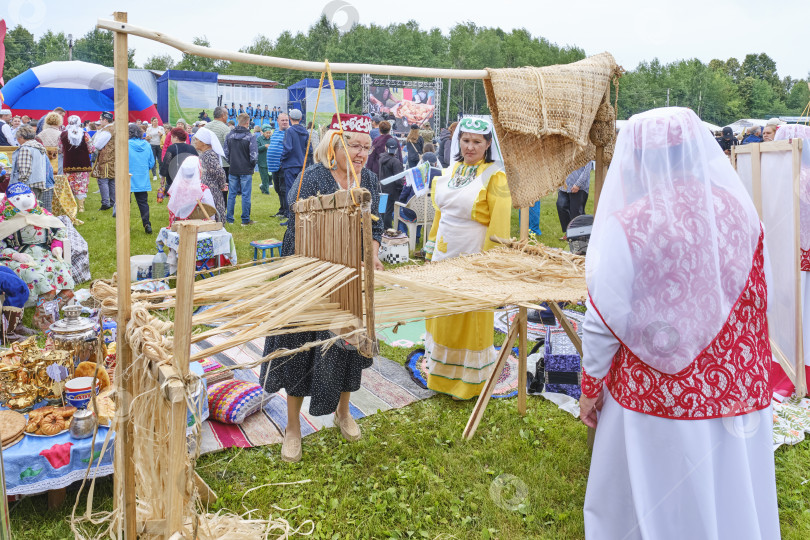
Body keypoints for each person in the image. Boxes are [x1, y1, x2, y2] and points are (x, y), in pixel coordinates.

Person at [579, 107, 778, 540]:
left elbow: (603, 317)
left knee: (654, 504)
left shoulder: (630, 224)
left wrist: (590, 388)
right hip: (736, 386)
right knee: (730, 494)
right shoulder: (744, 213)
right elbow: (761, 294)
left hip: (658, 398)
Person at [260, 113, 383, 463]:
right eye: (353, 145)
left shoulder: (370, 180)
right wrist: (321, 265)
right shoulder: (312, 178)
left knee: (347, 345)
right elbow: (295, 231)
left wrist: (372, 253)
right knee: (301, 344)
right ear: (334, 144)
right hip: (308, 275)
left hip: (350, 278)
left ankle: (343, 412)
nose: (361, 153)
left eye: (366, 146)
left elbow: (376, 225)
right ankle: (293, 427)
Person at [423, 117, 511, 399]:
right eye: (465, 140)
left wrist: (488, 265)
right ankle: (440, 373)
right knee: (442, 310)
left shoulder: (495, 177)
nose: (470, 146)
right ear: (458, 142)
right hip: (444, 251)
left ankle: (467, 381)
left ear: (487, 145)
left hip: (473, 251)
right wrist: (430, 249)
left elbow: (499, 224)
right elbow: (440, 214)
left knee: (468, 314)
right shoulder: (450, 171)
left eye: (477, 142)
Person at [0, 182, 75, 331]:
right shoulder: (5, 220)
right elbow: (1, 246)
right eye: (19, 198)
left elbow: (59, 230)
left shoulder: (42, 213)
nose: (26, 200)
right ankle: (41, 320)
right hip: (22, 258)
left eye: (28, 196)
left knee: (66, 281)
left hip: (45, 254)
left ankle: (46, 315)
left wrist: (57, 246)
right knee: (43, 281)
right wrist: (15, 255)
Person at [775, 124, 810, 372]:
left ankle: (795, 368)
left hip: (792, 254)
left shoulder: (792, 176)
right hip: (798, 253)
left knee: (793, 318)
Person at [224, 113, 258, 226]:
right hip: (246, 169)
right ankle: (245, 220)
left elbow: (226, 153)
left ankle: (229, 219)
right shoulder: (250, 137)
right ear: (247, 123)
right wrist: (251, 166)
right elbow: (254, 155)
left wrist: (231, 163)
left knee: (232, 194)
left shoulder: (229, 135)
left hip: (233, 168)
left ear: (238, 121)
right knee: (246, 195)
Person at [279, 109, 311, 224]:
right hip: (302, 165)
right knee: (301, 190)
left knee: (290, 191)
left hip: (290, 165)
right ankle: (301, 215)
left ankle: (291, 217)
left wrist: (282, 159)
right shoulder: (306, 132)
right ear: (301, 119)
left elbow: (288, 148)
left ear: (290, 119)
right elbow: (310, 150)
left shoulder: (290, 131)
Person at [191, 127, 228, 223]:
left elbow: (220, 173)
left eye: (197, 140)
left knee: (213, 213)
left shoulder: (208, 155)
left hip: (211, 191)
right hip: (207, 189)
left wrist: (221, 185)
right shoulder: (205, 154)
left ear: (204, 142)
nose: (195, 142)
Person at [59, 115, 95, 212]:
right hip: (83, 163)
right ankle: (81, 208)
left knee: (70, 184)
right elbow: (91, 149)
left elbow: (60, 149)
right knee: (81, 185)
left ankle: (71, 206)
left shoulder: (63, 134)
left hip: (68, 163)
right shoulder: (85, 134)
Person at [167, 156, 217, 225]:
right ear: (198, 171)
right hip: (200, 226)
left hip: (179, 225)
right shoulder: (202, 189)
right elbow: (211, 211)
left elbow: (173, 209)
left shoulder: (176, 188)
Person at [10, 126, 51, 208]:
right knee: (35, 209)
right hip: (40, 182)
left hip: (28, 184)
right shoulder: (39, 148)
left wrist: (20, 184)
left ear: (21, 137)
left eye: (17, 138)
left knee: (26, 210)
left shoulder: (25, 148)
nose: (17, 140)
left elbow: (24, 170)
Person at [127, 123, 155, 233]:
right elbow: (152, 162)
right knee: (143, 202)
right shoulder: (146, 144)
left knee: (125, 203)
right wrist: (144, 169)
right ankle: (147, 223)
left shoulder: (126, 144)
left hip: (127, 177)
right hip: (142, 177)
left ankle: (124, 224)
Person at [556, 161, 594, 240]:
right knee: (561, 205)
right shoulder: (566, 150)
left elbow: (587, 170)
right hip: (564, 186)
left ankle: (579, 235)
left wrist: (578, 184)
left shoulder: (586, 151)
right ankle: (569, 232)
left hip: (579, 187)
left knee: (576, 212)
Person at [160, 128, 198, 196]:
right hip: (189, 178)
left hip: (174, 178)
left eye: (171, 136)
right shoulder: (191, 148)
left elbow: (166, 163)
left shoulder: (172, 148)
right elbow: (198, 162)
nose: (170, 138)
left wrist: (163, 177)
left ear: (176, 138)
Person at [91, 112, 116, 210]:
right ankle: (113, 202)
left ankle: (105, 203)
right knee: (112, 181)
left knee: (103, 180)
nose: (100, 121)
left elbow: (98, 145)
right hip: (114, 158)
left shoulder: (107, 130)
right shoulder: (113, 128)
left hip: (106, 158)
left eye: (101, 119)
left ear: (105, 120)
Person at [379, 137, 405, 229]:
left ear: (386, 148)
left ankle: (380, 229)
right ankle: (387, 229)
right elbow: (399, 179)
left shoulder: (381, 158)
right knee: (388, 211)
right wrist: (402, 187)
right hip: (392, 190)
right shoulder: (396, 162)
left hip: (382, 187)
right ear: (397, 149)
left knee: (382, 210)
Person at [266, 113, 289, 217]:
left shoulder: (289, 133)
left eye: (286, 120)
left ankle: (286, 211)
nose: (284, 122)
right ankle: (282, 209)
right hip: (274, 166)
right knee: (277, 188)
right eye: (282, 120)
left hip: (282, 166)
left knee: (284, 189)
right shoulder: (275, 132)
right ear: (278, 121)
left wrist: (282, 162)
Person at [256, 124, 273, 195]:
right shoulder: (259, 139)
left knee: (270, 177)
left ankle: (263, 187)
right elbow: (256, 149)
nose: (268, 134)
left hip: (271, 161)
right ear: (263, 132)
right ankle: (266, 192)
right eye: (267, 133)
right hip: (262, 161)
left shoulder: (272, 139)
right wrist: (264, 146)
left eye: (269, 133)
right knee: (264, 177)